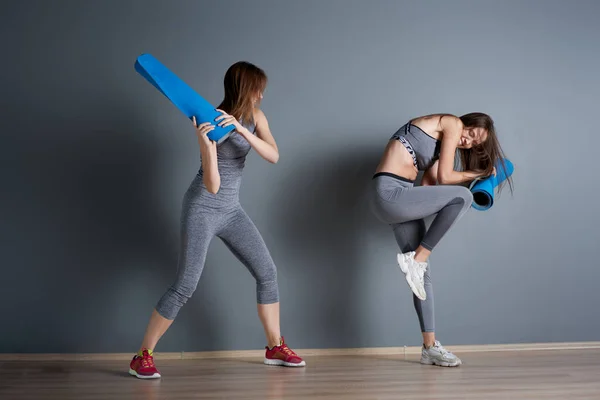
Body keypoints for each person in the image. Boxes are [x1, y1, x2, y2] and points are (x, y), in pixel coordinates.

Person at [129, 61, 305, 379]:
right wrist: (206, 146)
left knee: (267, 272)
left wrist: (240, 129)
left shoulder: (254, 118)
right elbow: (212, 186)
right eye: (257, 88)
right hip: (202, 207)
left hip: (232, 210)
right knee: (186, 284)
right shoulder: (208, 120)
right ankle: (142, 356)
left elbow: (274, 155)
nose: (262, 95)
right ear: (244, 88)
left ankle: (275, 346)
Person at [369, 112, 513, 367]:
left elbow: (429, 188)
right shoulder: (451, 122)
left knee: (422, 277)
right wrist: (475, 174)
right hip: (389, 193)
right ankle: (418, 259)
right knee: (463, 198)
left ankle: (429, 347)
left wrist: (480, 180)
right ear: (466, 123)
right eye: (471, 133)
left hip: (403, 197)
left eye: (474, 143)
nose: (468, 141)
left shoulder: (437, 150)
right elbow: (447, 179)